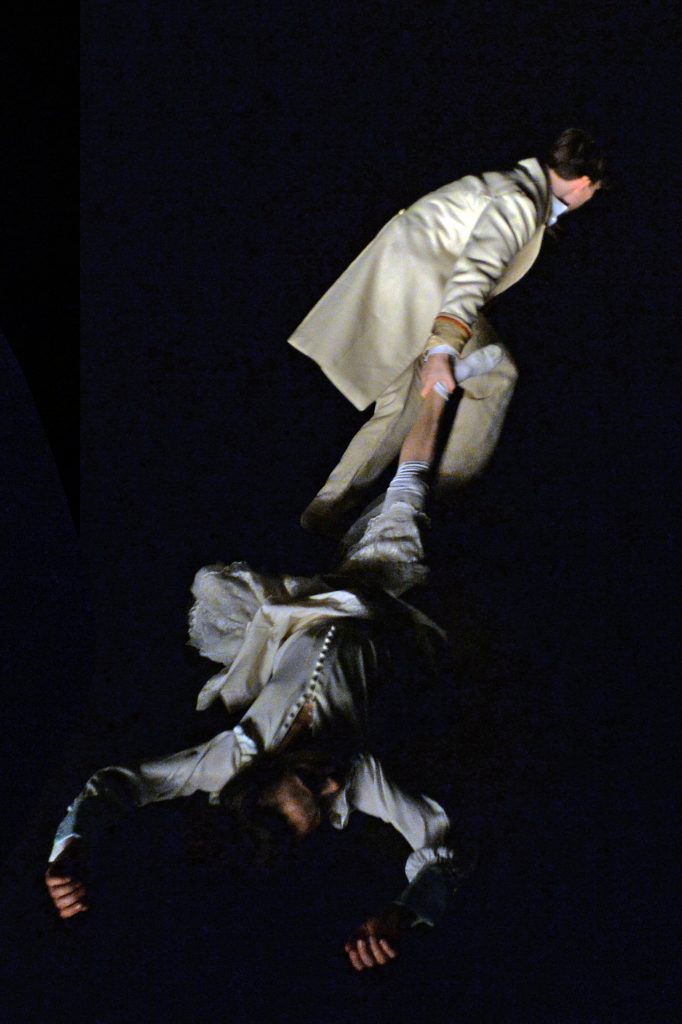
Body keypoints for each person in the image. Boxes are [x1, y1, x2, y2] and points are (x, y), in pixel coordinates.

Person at [45, 349, 499, 972]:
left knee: (342, 508)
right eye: (324, 798)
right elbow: (440, 840)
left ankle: (420, 384)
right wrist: (405, 909)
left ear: (259, 785)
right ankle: (438, 389)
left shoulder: (231, 760)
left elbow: (120, 785)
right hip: (387, 610)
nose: (327, 783)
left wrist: (70, 846)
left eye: (307, 783)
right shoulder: (358, 782)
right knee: (411, 500)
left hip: (306, 603)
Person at [289, 127, 608, 537]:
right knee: (497, 373)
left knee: (400, 411)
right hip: (426, 297)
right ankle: (446, 500)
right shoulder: (518, 201)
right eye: (594, 191)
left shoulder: (513, 185)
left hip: (403, 293)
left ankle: (321, 517)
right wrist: (444, 348)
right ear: (584, 183)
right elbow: (475, 271)